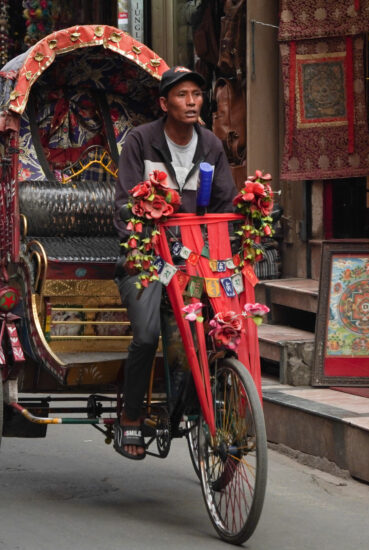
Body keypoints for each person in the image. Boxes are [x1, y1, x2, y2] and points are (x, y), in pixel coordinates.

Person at [113, 66, 236, 459]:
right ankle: (131, 417)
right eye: (182, 95)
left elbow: (223, 204)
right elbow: (124, 205)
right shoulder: (141, 141)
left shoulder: (212, 145)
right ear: (165, 104)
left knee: (214, 336)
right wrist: (143, 243)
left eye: (197, 95)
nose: (191, 102)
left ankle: (195, 409)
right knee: (147, 336)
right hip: (147, 259)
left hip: (195, 262)